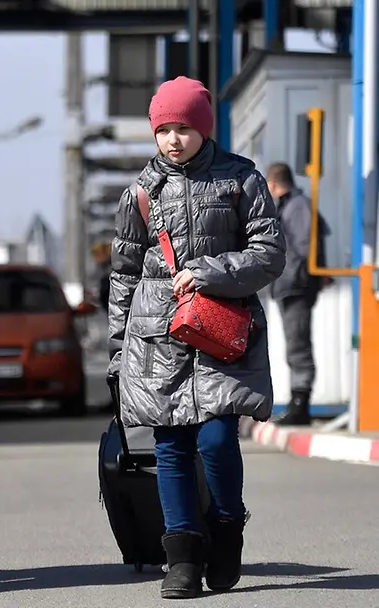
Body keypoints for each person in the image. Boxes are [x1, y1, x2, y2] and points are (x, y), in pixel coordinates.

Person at [107, 76, 285, 599]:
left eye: (183, 127)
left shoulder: (240, 179)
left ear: (203, 129)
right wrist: (118, 348)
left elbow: (269, 254)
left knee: (216, 438)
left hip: (221, 331)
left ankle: (227, 530)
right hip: (155, 334)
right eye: (164, 129)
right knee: (170, 445)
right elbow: (123, 274)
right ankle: (180, 557)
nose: (173, 139)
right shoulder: (141, 191)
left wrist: (210, 271)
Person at [265, 162, 330, 426]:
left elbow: (303, 247)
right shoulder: (290, 206)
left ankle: (300, 405)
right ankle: (297, 402)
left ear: (272, 183)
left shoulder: (297, 206)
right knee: (295, 345)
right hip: (289, 284)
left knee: (298, 346)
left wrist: (297, 273)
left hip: (296, 285)